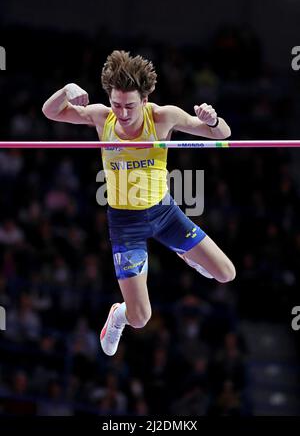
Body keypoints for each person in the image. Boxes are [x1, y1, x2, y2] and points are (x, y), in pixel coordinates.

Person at [42, 50, 236, 356]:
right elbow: (51, 112)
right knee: (141, 317)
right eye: (116, 104)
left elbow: (223, 135)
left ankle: (184, 253)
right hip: (125, 223)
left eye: (129, 106)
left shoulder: (162, 117)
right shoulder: (101, 117)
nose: (122, 112)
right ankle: (118, 315)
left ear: (144, 100)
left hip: (165, 213)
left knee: (226, 273)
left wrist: (213, 121)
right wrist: (66, 90)